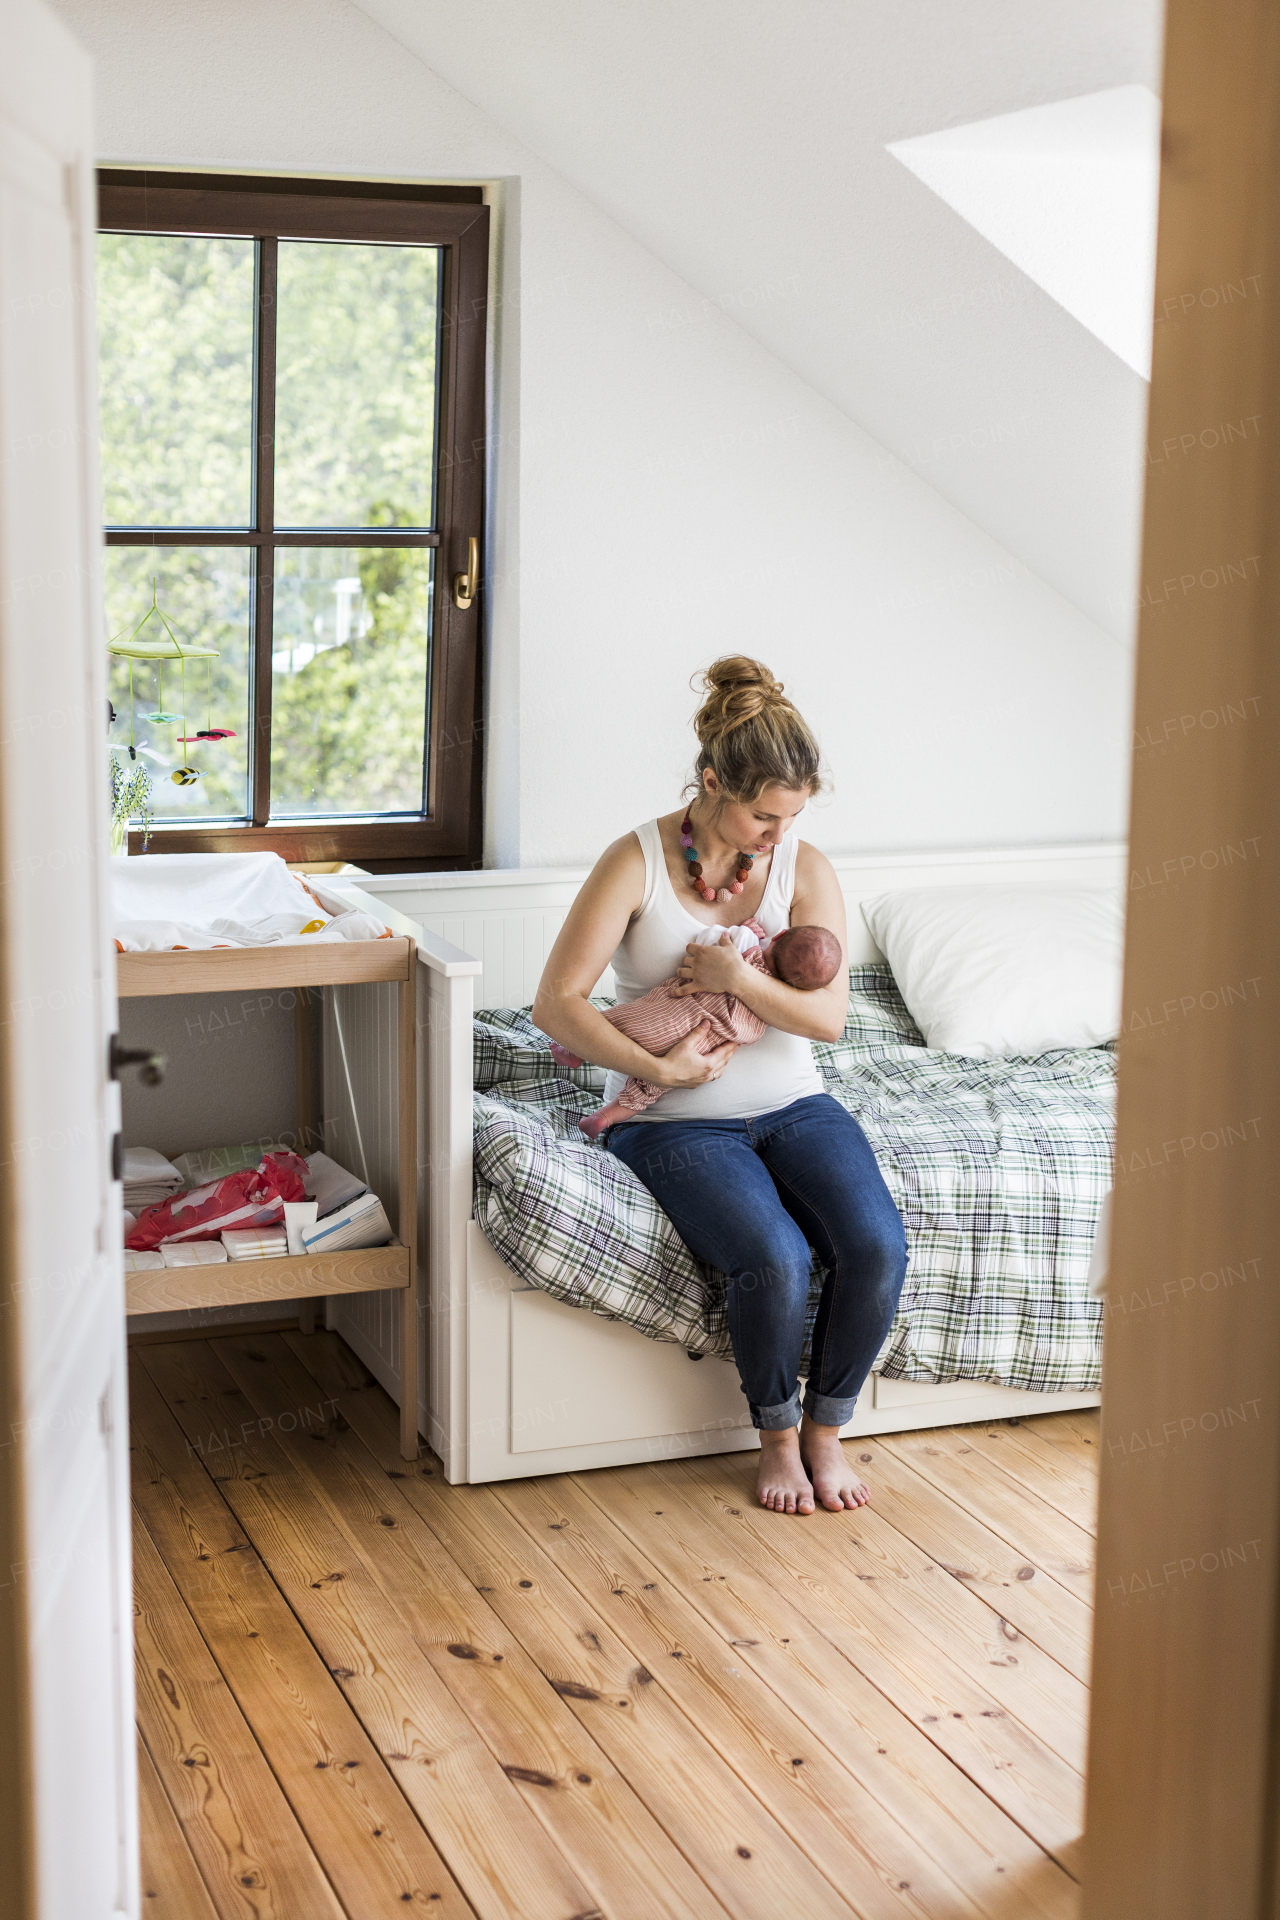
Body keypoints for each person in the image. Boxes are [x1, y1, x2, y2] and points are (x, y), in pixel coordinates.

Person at [533, 656, 907, 1515]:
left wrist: (737, 981)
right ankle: (777, 1438)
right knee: (773, 1257)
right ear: (711, 782)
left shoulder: (804, 867)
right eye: (764, 814)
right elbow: (557, 1002)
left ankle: (826, 1433)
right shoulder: (632, 861)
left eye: (794, 816)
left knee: (875, 1245)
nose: (779, 835)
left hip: (796, 1106)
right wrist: (657, 1070)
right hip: (675, 1122)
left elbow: (828, 1020)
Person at [550, 920, 843, 1137]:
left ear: (777, 936)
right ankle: (606, 1116)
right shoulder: (777, 1007)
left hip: (668, 1018)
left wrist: (745, 930)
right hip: (691, 1051)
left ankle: (575, 1051)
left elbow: (706, 943)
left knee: (621, 1021)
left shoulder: (744, 944)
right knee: (650, 1088)